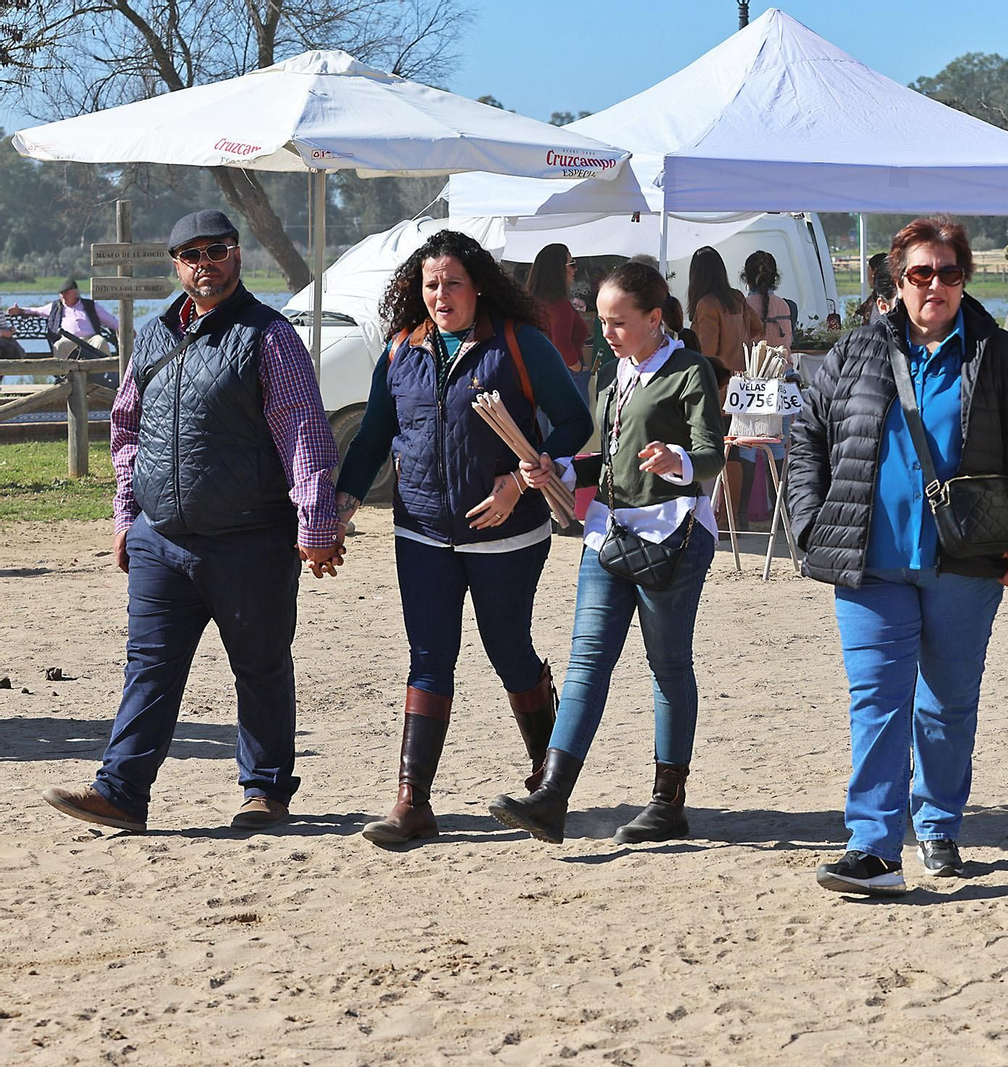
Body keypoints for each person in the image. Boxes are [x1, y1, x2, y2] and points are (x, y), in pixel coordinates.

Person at [40, 209, 342, 834]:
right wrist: (127, 516)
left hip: (249, 539)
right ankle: (121, 793)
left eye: (217, 250)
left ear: (237, 255)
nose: (204, 263)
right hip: (161, 539)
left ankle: (264, 791)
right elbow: (127, 430)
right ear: (176, 266)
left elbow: (304, 433)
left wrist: (314, 524)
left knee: (258, 666)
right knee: (148, 667)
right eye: (190, 254)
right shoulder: (151, 337)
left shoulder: (270, 335)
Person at [787, 218, 1008, 895]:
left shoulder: (1001, 356)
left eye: (948, 272)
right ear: (897, 281)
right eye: (919, 273)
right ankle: (874, 845)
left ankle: (938, 824)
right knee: (878, 701)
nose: (934, 285)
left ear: (964, 278)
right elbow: (805, 440)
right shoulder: (853, 354)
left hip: (968, 563)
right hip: (869, 562)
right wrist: (809, 526)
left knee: (945, 703)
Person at [333, 230, 593, 847]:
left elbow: (575, 421)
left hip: (507, 533)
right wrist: (340, 507)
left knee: (510, 652)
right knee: (429, 656)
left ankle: (544, 778)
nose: (441, 295)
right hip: (420, 530)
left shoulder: (520, 344)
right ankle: (411, 800)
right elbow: (372, 437)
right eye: (430, 284)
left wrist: (521, 481)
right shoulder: (401, 350)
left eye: (452, 283)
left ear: (478, 285)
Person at [488, 260, 725, 846]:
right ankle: (551, 797)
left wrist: (681, 462)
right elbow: (612, 458)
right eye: (601, 321)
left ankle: (668, 801)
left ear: (654, 319)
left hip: (673, 534)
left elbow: (714, 454)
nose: (605, 333)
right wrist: (560, 467)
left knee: (668, 665)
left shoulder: (690, 371)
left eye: (618, 323)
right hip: (608, 530)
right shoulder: (616, 370)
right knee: (587, 661)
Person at [688, 245, 762, 524]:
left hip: (717, 386)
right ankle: (736, 516)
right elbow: (757, 328)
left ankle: (725, 517)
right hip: (741, 384)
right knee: (740, 450)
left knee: (724, 450)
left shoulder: (707, 304)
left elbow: (706, 350)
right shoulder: (736, 298)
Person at [526, 243, 592, 398]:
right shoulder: (558, 304)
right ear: (558, 270)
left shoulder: (531, 301)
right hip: (565, 375)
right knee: (574, 420)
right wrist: (578, 368)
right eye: (572, 264)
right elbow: (561, 343)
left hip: (537, 374)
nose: (575, 269)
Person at [8, 278, 119, 360]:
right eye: (61, 294)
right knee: (59, 345)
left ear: (75, 293)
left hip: (90, 338)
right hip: (68, 339)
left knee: (101, 342)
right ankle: (62, 377)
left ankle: (107, 374)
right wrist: (20, 311)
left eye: (66, 293)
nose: (63, 296)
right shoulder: (56, 306)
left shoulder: (90, 305)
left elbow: (110, 320)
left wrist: (124, 329)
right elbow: (37, 311)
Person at [742, 250, 797, 349]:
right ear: (775, 278)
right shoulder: (788, 307)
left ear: (745, 278)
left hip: (752, 365)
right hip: (783, 364)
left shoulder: (741, 307)